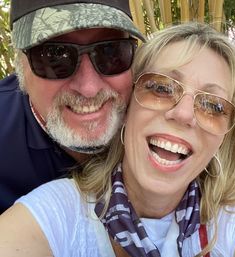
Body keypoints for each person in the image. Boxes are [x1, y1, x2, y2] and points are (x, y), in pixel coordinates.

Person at [0, 22, 235, 256]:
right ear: (127, 106)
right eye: (161, 88)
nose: (183, 115)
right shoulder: (56, 213)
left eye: (213, 106)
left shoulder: (234, 226)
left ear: (225, 136)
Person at [0, 0, 145, 213]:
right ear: (20, 64)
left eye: (110, 51)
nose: (89, 88)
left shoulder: (157, 119)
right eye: (54, 56)